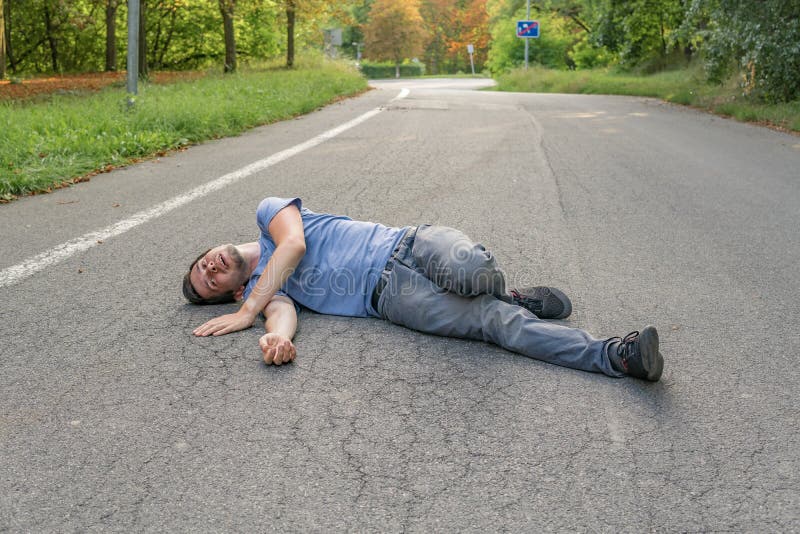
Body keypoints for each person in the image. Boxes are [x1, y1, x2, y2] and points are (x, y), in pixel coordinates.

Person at [183, 197, 664, 381]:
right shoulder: (265, 294)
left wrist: (247, 312)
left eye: (203, 263)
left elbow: (294, 245)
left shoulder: (269, 213)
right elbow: (282, 314)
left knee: (473, 270)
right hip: (392, 299)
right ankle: (616, 356)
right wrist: (276, 338)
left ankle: (507, 293)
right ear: (230, 291)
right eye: (209, 281)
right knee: (494, 324)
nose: (209, 267)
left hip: (410, 244)